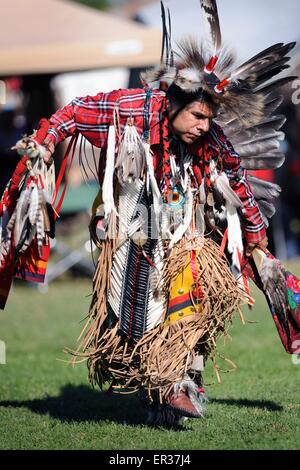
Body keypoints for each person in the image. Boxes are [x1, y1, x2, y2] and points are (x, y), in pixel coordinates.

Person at [1, 0, 298, 426]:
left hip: (184, 230)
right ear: (175, 104)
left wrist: (254, 234)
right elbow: (71, 114)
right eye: (197, 115)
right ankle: (161, 388)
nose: (202, 125)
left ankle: (181, 383)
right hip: (132, 225)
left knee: (198, 292)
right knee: (138, 310)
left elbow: (235, 178)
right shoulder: (131, 108)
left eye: (208, 118)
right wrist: (46, 143)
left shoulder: (210, 139)